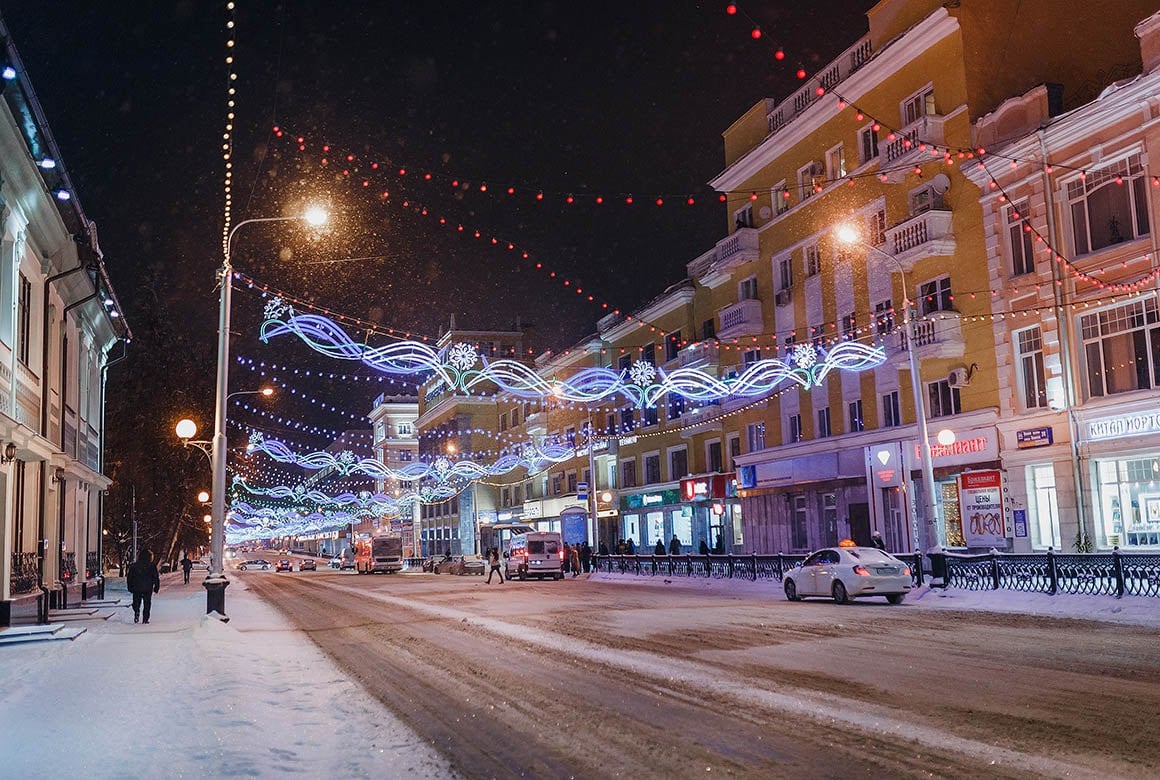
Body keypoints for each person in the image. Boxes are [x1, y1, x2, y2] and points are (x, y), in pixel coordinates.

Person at [126, 548, 160, 624]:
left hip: (136, 587)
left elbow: (130, 577)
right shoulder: (152, 566)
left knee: (136, 602)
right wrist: (156, 586)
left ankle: (137, 610)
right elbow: (155, 577)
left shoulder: (134, 566)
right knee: (147, 603)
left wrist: (130, 586)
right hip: (148, 587)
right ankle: (145, 618)